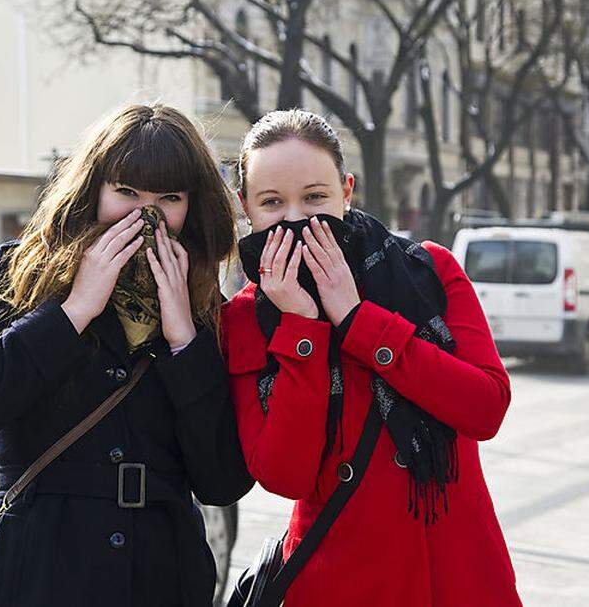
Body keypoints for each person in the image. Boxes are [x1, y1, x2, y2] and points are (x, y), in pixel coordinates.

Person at [0, 104, 252, 606]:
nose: (145, 215)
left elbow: (223, 482)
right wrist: (73, 310)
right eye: (126, 192)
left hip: (161, 573)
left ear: (192, 206)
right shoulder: (17, 273)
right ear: (93, 189)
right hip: (39, 570)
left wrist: (184, 339)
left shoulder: (208, 305)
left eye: (169, 197)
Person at [223, 109, 520, 606]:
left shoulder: (426, 270)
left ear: (347, 190)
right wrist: (302, 329)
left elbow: (486, 406)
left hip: (459, 576)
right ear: (246, 207)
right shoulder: (245, 317)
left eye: (315, 197)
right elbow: (284, 474)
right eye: (273, 202)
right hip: (336, 584)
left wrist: (358, 320)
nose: (296, 219)